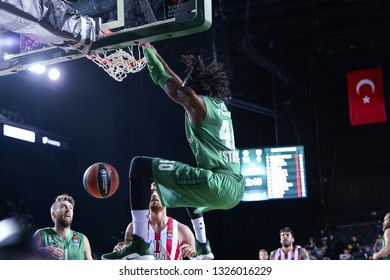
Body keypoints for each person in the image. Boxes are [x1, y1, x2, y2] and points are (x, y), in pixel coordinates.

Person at [101, 43, 244, 260]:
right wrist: (157, 54)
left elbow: (171, 86)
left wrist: (148, 55)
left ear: (195, 88)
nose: (184, 83)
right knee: (184, 189)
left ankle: (140, 244)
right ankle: (204, 248)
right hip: (234, 190)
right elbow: (179, 82)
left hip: (217, 183)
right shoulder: (218, 107)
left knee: (139, 166)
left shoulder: (197, 103)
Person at [105, 182, 196, 260]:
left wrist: (193, 255)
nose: (154, 194)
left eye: (158, 191)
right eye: (151, 191)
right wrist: (118, 254)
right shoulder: (133, 227)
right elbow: (128, 262)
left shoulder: (182, 230)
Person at [32, 194, 92, 260]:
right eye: (63, 207)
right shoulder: (41, 234)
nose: (68, 210)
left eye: (70, 208)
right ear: (54, 214)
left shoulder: (82, 239)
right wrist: (41, 251)